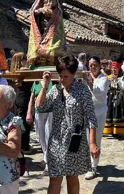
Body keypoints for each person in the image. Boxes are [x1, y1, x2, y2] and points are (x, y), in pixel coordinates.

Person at [36, 55, 100, 194]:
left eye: (66, 76)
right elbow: (40, 107)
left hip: (74, 142)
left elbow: (91, 118)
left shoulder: (82, 90)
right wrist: (44, 87)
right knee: (54, 179)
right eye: (60, 76)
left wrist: (92, 143)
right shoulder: (55, 90)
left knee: (72, 177)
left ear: (73, 74)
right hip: (56, 142)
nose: (62, 79)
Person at [83, 57, 109, 180]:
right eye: (90, 65)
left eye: (95, 65)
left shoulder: (103, 79)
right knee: (86, 139)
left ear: (99, 66)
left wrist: (89, 82)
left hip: (98, 112)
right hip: (86, 111)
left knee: (95, 139)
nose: (92, 67)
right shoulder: (86, 76)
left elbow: (99, 92)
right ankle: (89, 162)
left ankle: (93, 166)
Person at [26, 78, 53, 175]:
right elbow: (32, 98)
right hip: (39, 113)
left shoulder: (53, 81)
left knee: (49, 137)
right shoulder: (36, 81)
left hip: (51, 112)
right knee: (41, 137)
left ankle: (48, 164)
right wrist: (29, 112)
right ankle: (46, 158)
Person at [103, 61, 124, 137]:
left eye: (115, 68)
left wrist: (117, 80)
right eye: (112, 68)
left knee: (118, 113)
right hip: (110, 97)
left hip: (120, 98)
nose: (114, 70)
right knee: (110, 113)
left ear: (119, 69)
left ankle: (117, 131)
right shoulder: (107, 77)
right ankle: (109, 130)